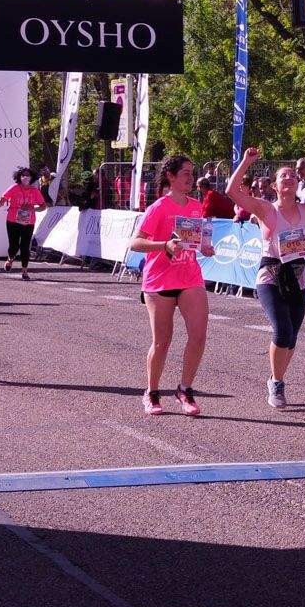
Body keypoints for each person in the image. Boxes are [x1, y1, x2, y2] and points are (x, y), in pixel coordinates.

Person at [228, 147, 305, 409]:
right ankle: (277, 384)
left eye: (293, 175)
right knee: (281, 330)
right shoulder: (265, 208)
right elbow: (232, 192)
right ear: (276, 184)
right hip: (271, 272)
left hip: (298, 273)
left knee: (291, 335)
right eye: (283, 176)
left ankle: (275, 376)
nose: (289, 178)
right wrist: (246, 162)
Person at [128, 155, 218, 416]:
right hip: (160, 280)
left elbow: (195, 241)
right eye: (185, 174)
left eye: (192, 173)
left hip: (189, 276)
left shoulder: (195, 205)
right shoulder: (159, 207)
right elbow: (135, 243)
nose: (191, 178)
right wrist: (164, 245)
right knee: (162, 342)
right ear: (171, 176)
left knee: (199, 335)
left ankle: (184, 389)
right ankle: (152, 391)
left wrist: (205, 247)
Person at [0, 166, 47, 280]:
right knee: (14, 245)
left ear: (32, 177)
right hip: (13, 220)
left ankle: (24, 271)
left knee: (25, 246)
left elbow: (43, 207)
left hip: (29, 222)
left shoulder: (35, 191)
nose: (25, 177)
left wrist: (32, 209)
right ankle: (10, 259)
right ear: (19, 177)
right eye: (23, 175)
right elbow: (2, 200)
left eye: (28, 175)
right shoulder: (14, 188)